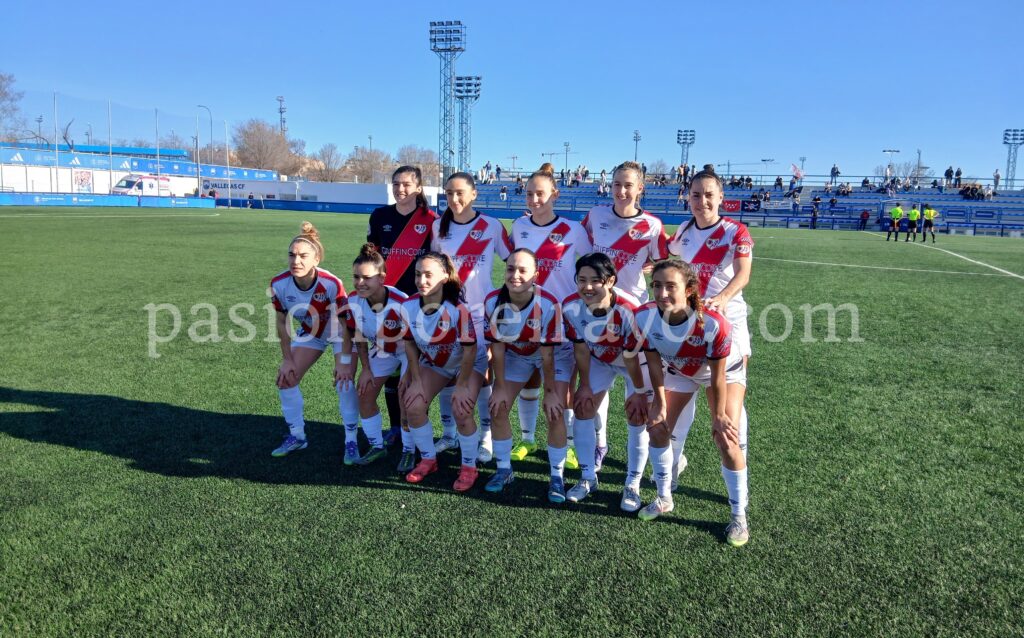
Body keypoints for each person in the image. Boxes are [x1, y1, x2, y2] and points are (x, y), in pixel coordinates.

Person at [637, 260, 749, 544]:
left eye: (670, 286)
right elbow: (653, 363)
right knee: (657, 427)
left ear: (689, 290)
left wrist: (719, 416)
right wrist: (659, 402)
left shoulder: (713, 323)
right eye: (657, 286)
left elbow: (718, 376)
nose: (662, 293)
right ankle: (664, 497)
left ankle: (739, 516)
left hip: (719, 374)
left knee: (726, 438)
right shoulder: (644, 317)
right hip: (680, 370)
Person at [666, 168, 753, 493]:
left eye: (708, 195)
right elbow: (669, 256)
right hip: (687, 329)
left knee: (731, 411)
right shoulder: (684, 231)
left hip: (729, 327)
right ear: (687, 198)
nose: (702, 200)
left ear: (721, 199)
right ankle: (673, 464)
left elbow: (743, 275)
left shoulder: (736, 231)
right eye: (695, 195)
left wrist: (722, 298)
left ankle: (738, 465)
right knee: (680, 396)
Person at [580, 161, 667, 470]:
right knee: (593, 393)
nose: (621, 190)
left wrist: (634, 277)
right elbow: (581, 249)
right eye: (617, 184)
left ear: (640, 188)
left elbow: (661, 265)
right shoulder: (595, 216)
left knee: (637, 402)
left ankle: (635, 475)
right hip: (597, 314)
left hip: (634, 319)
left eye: (628, 185)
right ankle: (599, 444)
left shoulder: (653, 226)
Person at [507, 163, 591, 467]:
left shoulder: (573, 229)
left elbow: (594, 262)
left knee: (562, 382)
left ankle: (566, 444)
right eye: (529, 194)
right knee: (530, 378)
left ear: (554, 193)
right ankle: (527, 439)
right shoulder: (519, 226)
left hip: (564, 316)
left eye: (540, 193)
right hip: (527, 314)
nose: (534, 199)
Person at [431, 172, 512, 458]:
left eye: (460, 192)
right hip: (448, 314)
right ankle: (450, 434)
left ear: (474, 193)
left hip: (481, 315)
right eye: (449, 193)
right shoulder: (437, 226)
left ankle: (487, 437)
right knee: (448, 370)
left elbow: (514, 260)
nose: (454, 199)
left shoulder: (491, 226)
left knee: (484, 375)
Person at [562, 253, 651, 508]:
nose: (587, 287)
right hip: (601, 359)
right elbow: (580, 348)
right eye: (581, 280)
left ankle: (632, 484)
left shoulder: (629, 308)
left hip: (635, 362)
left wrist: (638, 392)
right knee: (583, 407)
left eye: (595, 280)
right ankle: (588, 477)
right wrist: (586, 385)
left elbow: (632, 355)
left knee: (637, 414)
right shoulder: (570, 307)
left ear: (610, 281)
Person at [485, 249, 572, 498]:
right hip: (516, 354)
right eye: (511, 269)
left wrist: (552, 392)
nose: (515, 275)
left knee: (555, 411)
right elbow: (498, 347)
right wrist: (499, 386)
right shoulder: (493, 301)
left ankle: (557, 476)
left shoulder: (548, 303)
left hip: (554, 355)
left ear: (536, 274)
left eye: (523, 270)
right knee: (498, 406)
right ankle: (503, 469)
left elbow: (547, 355)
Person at [399, 252, 490, 490]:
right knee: (414, 406)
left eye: (429, 275)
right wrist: (416, 379)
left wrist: (461, 385)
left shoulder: (458, 310)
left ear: (445, 277)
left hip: (468, 363)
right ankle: (429, 460)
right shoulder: (408, 306)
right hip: (435, 363)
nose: (422, 281)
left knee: (461, 409)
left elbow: (470, 351)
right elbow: (409, 343)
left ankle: (469, 466)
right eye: (418, 274)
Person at [268, 222, 355, 459]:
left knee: (344, 381)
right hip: (312, 334)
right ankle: (297, 436)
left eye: (303, 256)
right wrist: (287, 360)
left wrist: (344, 361)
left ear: (316, 259)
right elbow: (281, 323)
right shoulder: (278, 284)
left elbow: (347, 324)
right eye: (292, 255)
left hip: (340, 332)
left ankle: (351, 439)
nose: (296, 261)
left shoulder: (331, 283)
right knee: (286, 378)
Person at [366, 166, 438, 448]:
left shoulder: (432, 220)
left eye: (407, 184)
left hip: (420, 305)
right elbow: (370, 257)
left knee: (419, 369)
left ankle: (418, 426)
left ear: (419, 187)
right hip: (387, 305)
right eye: (396, 184)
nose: (400, 189)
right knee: (392, 370)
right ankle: (396, 426)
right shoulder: (380, 216)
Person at [346, 244, 413, 471]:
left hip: (408, 352)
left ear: (382, 278)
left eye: (367, 277)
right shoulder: (353, 300)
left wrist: (410, 371)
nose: (360, 282)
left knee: (407, 398)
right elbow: (358, 335)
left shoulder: (401, 301)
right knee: (363, 392)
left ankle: (409, 450)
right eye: (356, 277)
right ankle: (376, 445)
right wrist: (365, 368)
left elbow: (415, 341)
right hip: (383, 350)